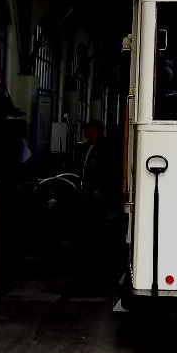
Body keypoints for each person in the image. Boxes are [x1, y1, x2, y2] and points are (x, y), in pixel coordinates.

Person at [75, 119, 121, 290]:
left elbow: (111, 171)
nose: (85, 132)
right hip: (87, 194)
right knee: (88, 231)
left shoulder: (106, 147)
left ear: (95, 130)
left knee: (98, 232)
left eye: (88, 129)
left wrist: (100, 189)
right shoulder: (86, 147)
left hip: (99, 197)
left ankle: (98, 270)